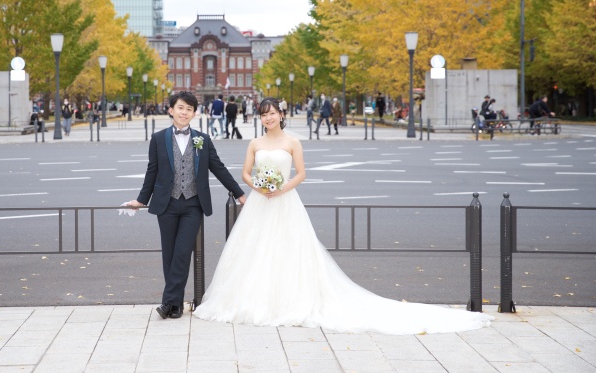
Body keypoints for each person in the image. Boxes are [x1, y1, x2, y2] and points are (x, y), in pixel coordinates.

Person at [193, 97, 493, 334]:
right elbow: (245, 172)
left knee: (289, 250)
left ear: (281, 115)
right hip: (261, 201)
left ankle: (288, 301)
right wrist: (258, 184)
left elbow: (302, 173)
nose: (268, 118)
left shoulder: (292, 142)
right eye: (263, 114)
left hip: (284, 200)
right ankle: (252, 302)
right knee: (255, 251)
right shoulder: (255, 143)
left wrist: (281, 188)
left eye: (272, 113)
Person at [127, 91, 245, 320]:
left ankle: (167, 302)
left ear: (194, 113)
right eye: (180, 107)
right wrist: (142, 200)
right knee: (169, 256)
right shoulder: (158, 139)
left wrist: (239, 193)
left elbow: (218, 168)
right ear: (171, 110)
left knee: (182, 253)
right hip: (166, 203)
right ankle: (176, 305)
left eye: (189, 109)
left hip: (193, 204)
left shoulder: (203, 139)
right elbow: (152, 172)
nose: (184, 112)